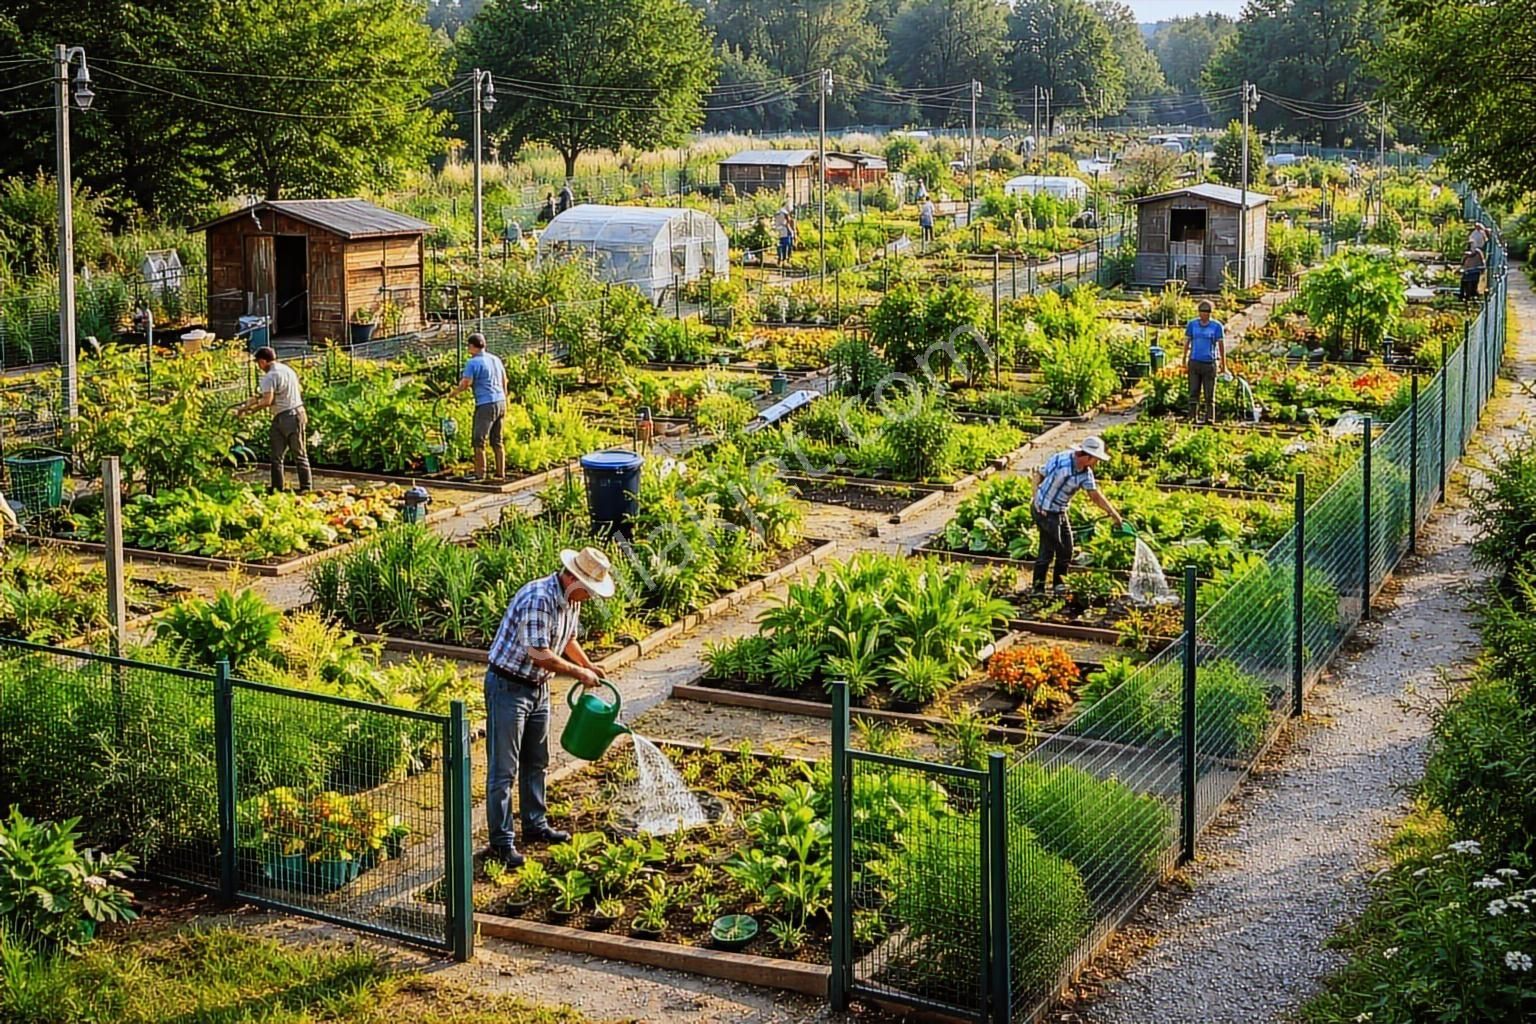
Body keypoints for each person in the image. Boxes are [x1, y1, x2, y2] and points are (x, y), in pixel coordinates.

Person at [484, 547, 617, 867]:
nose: (590, 596)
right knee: (504, 769)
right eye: (589, 589)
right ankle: (502, 843)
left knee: (537, 760)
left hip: (537, 687)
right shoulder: (539, 598)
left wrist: (589, 664)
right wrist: (577, 672)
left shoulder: (571, 600)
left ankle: (535, 825)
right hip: (509, 686)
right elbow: (538, 653)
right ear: (573, 578)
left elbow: (568, 638)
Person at [1030, 437, 1124, 595]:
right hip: (1043, 511)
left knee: (1066, 549)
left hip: (1059, 511)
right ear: (1087, 456)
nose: (1097, 463)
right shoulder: (1060, 459)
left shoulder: (1085, 474)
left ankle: (1058, 585)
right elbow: (1039, 473)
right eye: (1096, 459)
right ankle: (1038, 588)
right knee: (1048, 551)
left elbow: (1095, 495)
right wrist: (1036, 499)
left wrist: (1114, 514)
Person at [235, 346, 311, 493]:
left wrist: (249, 411)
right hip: (295, 413)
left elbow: (267, 401)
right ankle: (285, 487)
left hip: (286, 416)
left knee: (283, 456)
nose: (258, 366)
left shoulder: (269, 376)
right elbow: (275, 394)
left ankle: (300, 488)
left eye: (258, 363)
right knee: (295, 454)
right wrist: (250, 403)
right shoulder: (287, 370)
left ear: (263, 361)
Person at [447, 333, 508, 481]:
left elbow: (466, 383)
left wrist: (452, 394)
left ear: (472, 346)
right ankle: (501, 473)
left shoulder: (473, 363)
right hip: (500, 401)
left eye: (468, 345)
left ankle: (480, 473)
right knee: (497, 440)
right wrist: (505, 398)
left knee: (478, 439)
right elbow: (504, 380)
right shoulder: (495, 359)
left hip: (485, 404)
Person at [1184, 300, 1226, 425]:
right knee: (1193, 392)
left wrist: (1223, 364)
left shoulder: (1216, 326)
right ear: (1199, 312)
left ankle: (1210, 419)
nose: (1204, 314)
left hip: (1209, 364)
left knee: (1209, 394)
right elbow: (1187, 342)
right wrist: (1184, 359)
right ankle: (1192, 418)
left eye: (1207, 312)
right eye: (1202, 311)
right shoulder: (1192, 325)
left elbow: (1221, 346)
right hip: (1195, 362)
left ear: (1210, 313)